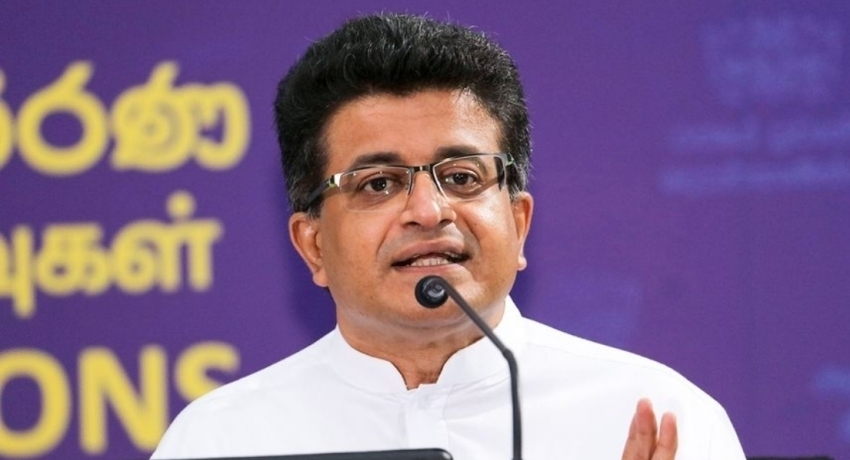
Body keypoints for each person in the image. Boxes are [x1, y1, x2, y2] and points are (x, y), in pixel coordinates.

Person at [152, 13, 745, 460]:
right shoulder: (220, 440)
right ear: (313, 245)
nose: (428, 211)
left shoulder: (657, 419)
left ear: (518, 223)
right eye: (378, 184)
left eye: (461, 177)